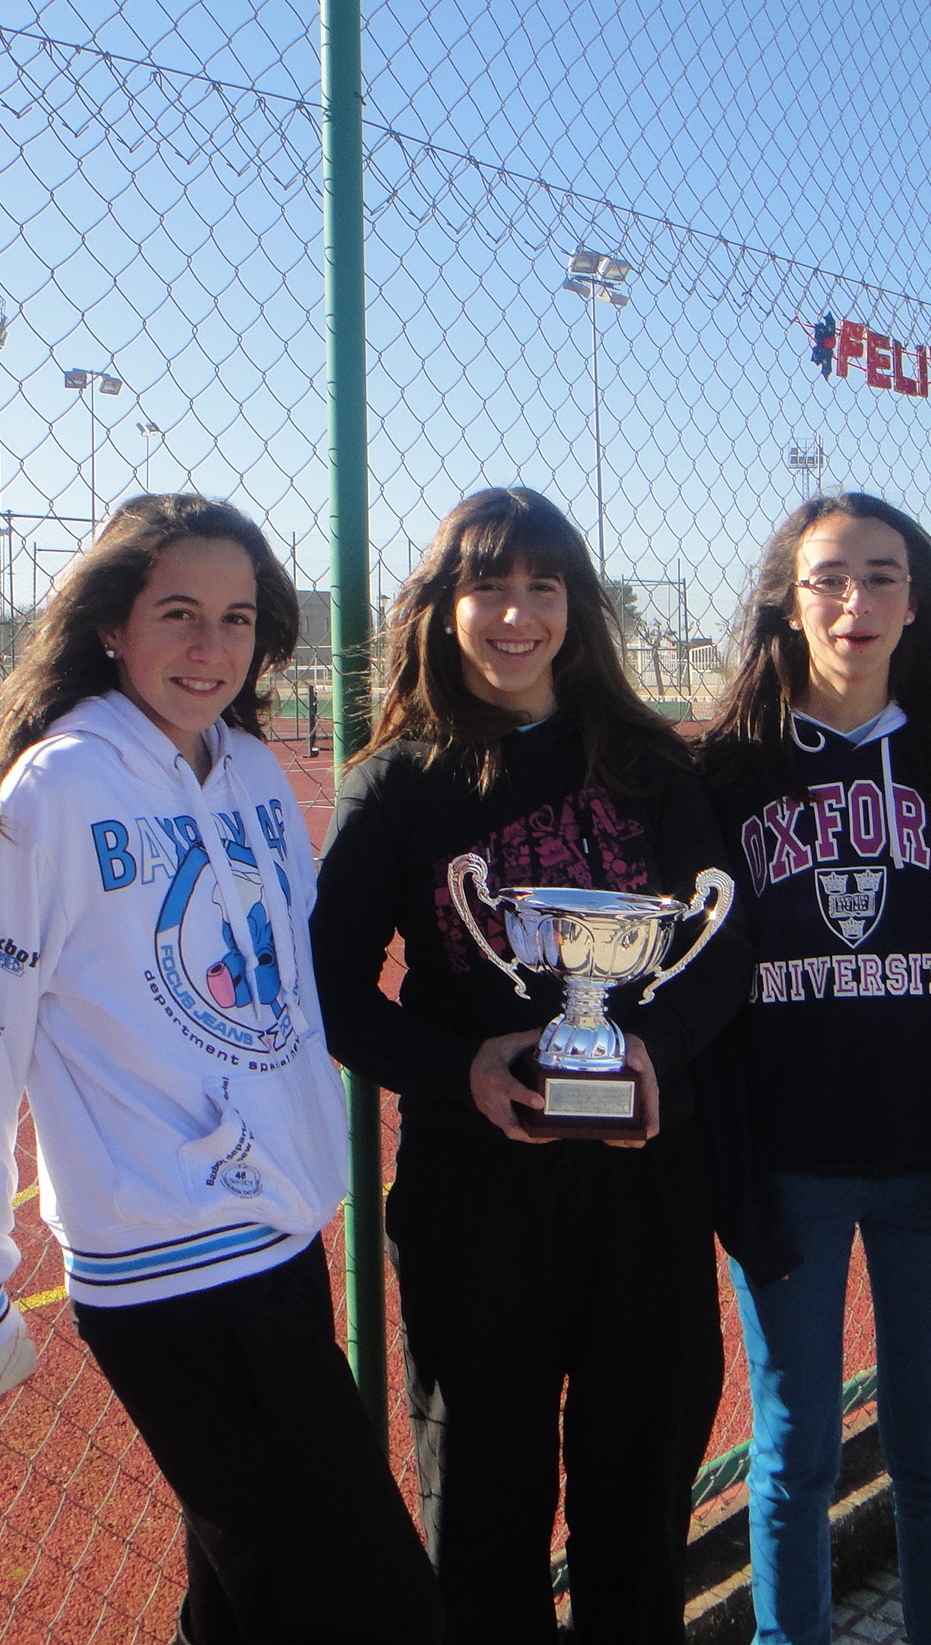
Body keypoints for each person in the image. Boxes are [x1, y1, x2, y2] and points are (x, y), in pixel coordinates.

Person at [0, 492, 439, 1645]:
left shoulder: (253, 774)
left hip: (281, 1236)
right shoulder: (52, 792)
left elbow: (289, 990)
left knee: (244, 1598)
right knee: (370, 1599)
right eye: (179, 613)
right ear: (112, 625)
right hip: (166, 1267)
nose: (210, 647)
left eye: (236, 619)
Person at [311, 485, 750, 1644]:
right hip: (476, 1195)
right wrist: (462, 1067)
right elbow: (328, 989)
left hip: (646, 1188)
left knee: (640, 1507)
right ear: (442, 607)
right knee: (483, 1517)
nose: (517, 616)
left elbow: (723, 951)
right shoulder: (399, 781)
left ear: (577, 604)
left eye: (541, 586)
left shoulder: (649, 764)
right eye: (488, 587)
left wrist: (652, 1048)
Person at [697, 493, 931, 1645]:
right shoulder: (728, 773)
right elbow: (690, 988)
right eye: (828, 576)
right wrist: (730, 1175)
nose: (853, 601)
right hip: (789, 1170)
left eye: (881, 576)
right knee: (793, 1452)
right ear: (788, 600)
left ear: (916, 604)